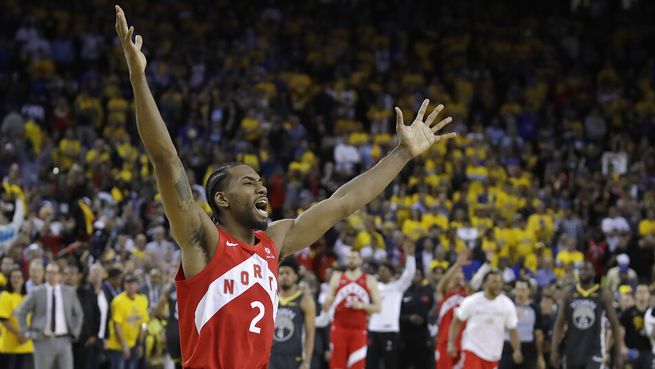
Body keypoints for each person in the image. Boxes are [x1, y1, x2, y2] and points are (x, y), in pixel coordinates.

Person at [115, 5, 454, 369]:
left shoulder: (273, 244)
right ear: (221, 199)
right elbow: (166, 160)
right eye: (248, 182)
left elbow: (343, 202)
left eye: (261, 182)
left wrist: (402, 154)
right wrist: (138, 78)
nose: (261, 188)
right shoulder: (203, 240)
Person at [550, 262, 624, 369]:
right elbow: (560, 322)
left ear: (593, 272)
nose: (583, 272)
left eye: (587, 269)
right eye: (581, 270)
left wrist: (618, 351)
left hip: (595, 349)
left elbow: (614, 323)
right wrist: (554, 350)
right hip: (572, 349)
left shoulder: (603, 293)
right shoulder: (569, 293)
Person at [15, 262, 84, 369]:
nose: (51, 276)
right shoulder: (36, 292)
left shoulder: (69, 292)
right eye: (49, 272)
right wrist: (25, 332)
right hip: (43, 340)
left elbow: (79, 314)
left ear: (60, 275)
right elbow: (21, 311)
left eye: (54, 273)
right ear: (45, 274)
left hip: (64, 340)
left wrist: (75, 331)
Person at [448, 270, 522, 369]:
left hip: (493, 353)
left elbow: (512, 329)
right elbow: (457, 320)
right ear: (485, 283)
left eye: (500, 282)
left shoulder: (507, 304)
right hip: (473, 348)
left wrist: (517, 350)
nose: (498, 285)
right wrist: (451, 343)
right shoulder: (472, 301)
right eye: (494, 282)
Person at [323, 250, 381, 369]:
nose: (351, 260)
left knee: (357, 365)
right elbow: (326, 306)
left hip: (358, 331)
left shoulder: (369, 279)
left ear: (360, 260)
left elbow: (378, 307)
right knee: (336, 366)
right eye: (349, 257)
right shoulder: (337, 277)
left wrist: (362, 306)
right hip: (339, 329)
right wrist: (328, 300)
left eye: (354, 257)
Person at [367, 240, 416, 369]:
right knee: (371, 364)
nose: (381, 272)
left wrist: (410, 257)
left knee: (391, 364)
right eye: (380, 270)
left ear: (391, 273)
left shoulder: (397, 287)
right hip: (373, 329)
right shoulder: (374, 287)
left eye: (384, 270)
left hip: (390, 330)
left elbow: (409, 275)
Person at [269, 258, 315, 369]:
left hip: (294, 358)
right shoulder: (270, 297)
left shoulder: (305, 300)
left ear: (295, 276)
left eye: (288, 273)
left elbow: (310, 333)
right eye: (281, 273)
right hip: (271, 356)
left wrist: (307, 362)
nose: (284, 276)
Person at [105, 274, 149, 369]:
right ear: (124, 285)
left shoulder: (142, 300)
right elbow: (117, 324)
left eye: (133, 283)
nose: (131, 286)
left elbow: (144, 323)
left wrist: (140, 343)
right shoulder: (118, 301)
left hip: (133, 343)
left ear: (137, 285)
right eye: (128, 283)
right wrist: (124, 345)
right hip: (118, 345)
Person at [499, 278, 545, 369]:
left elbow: (538, 333)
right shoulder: (508, 305)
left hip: (528, 348)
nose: (520, 293)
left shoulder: (535, 308)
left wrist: (540, 356)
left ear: (529, 291)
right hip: (508, 347)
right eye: (518, 289)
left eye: (523, 290)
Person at [435, 250, 469, 369]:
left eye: (461, 273)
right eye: (456, 273)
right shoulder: (445, 294)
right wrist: (458, 265)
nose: (459, 275)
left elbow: (475, 284)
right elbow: (442, 284)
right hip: (445, 341)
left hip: (464, 341)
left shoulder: (467, 296)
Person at [399, 267, 436, 369]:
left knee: (423, 364)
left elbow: (434, 313)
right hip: (405, 335)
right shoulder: (402, 292)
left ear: (422, 277)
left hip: (422, 335)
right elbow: (396, 315)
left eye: (417, 274)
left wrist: (425, 319)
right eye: (413, 274)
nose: (415, 277)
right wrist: (409, 318)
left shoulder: (429, 292)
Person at [76, 263, 110, 369]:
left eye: (99, 272)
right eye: (94, 272)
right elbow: (82, 316)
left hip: (101, 339)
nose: (96, 275)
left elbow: (107, 316)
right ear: (89, 275)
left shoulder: (106, 293)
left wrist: (106, 336)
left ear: (103, 274)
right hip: (88, 340)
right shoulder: (83, 292)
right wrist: (89, 336)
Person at [0, 268, 33, 369]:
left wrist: (27, 335)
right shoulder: (5, 296)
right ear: (9, 280)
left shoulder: (28, 297)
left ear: (23, 280)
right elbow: (4, 320)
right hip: (9, 347)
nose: (16, 280)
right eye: (13, 277)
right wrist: (20, 334)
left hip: (27, 347)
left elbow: (33, 319)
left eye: (19, 277)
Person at [618, 283, 653, 369]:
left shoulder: (653, 312)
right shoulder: (628, 312)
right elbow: (620, 331)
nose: (642, 295)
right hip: (631, 351)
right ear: (635, 295)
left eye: (645, 292)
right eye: (640, 292)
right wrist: (622, 347)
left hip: (648, 352)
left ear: (649, 295)